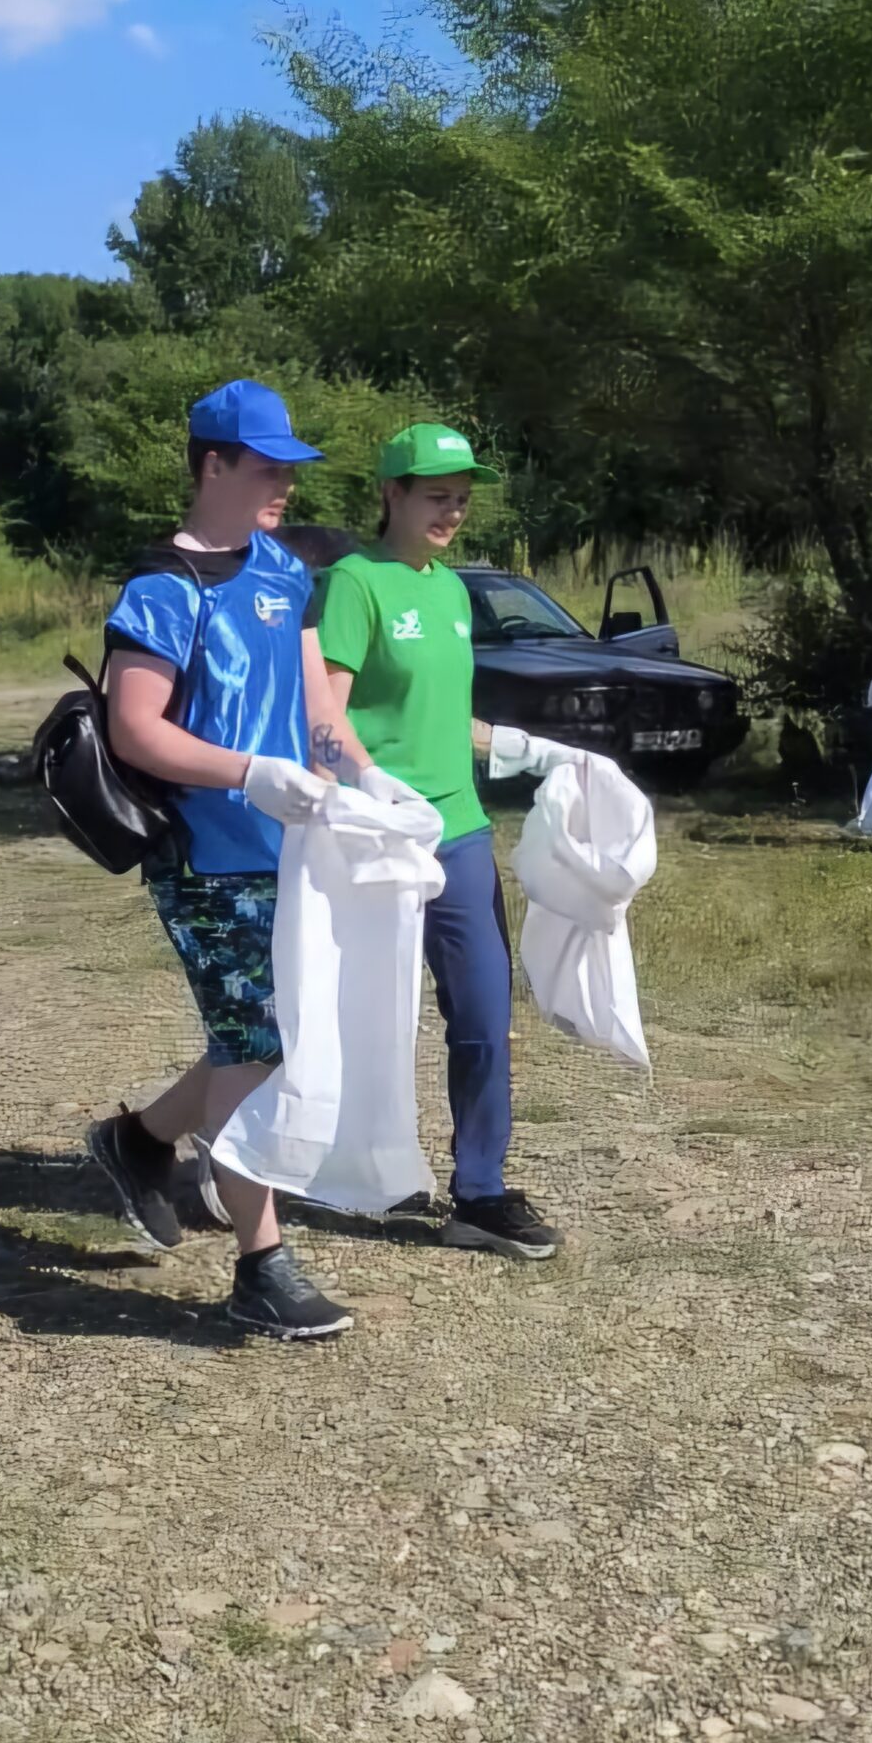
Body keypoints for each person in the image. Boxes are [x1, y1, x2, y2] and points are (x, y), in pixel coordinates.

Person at [84, 380, 358, 1343]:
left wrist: (366, 781)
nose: (285, 484)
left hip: (293, 851)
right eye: (266, 467)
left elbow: (318, 709)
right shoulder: (163, 588)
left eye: (289, 468)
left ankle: (139, 1140)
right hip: (205, 856)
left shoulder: (284, 571)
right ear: (212, 465)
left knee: (268, 1035)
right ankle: (260, 1264)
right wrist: (249, 772)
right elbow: (134, 729)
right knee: (255, 1045)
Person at [317, 423, 562, 1261]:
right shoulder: (353, 583)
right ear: (390, 493)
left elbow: (440, 719)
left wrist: (533, 751)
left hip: (456, 834)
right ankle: (287, 1161)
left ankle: (479, 1193)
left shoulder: (453, 591)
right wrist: (365, 781)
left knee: (484, 1015)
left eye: (460, 498)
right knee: (348, 1017)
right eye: (434, 496)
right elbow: (322, 717)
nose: (450, 512)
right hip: (377, 839)